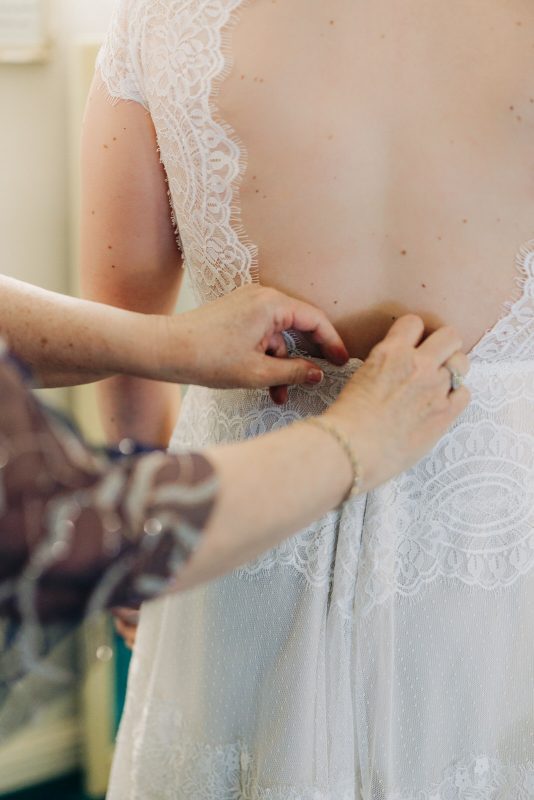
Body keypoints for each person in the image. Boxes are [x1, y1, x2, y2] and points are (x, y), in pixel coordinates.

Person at [82, 2, 533, 797]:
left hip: (237, 543)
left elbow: (118, 328)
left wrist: (140, 536)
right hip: (499, 568)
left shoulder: (163, 17)